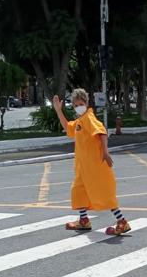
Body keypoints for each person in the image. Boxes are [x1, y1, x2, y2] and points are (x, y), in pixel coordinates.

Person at [52, 89, 130, 235]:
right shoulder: (79, 121)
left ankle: (122, 222)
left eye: (81, 104)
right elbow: (68, 128)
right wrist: (58, 111)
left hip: (95, 166)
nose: (78, 107)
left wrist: (105, 152)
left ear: (86, 104)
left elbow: (102, 133)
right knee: (78, 192)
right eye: (75, 105)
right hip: (82, 168)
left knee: (104, 194)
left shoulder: (89, 118)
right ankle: (84, 221)